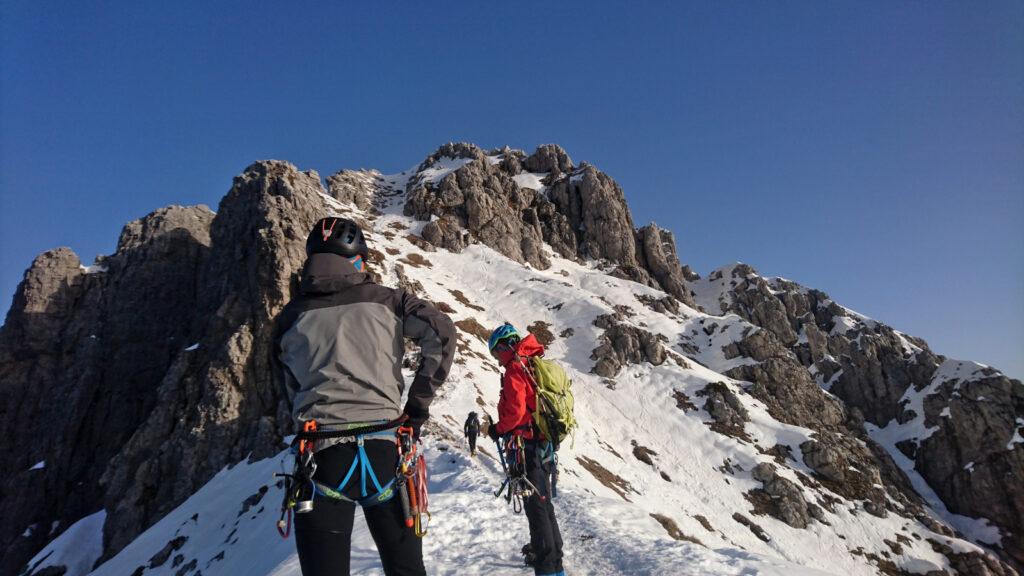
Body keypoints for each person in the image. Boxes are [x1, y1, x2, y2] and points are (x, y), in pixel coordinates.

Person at [272, 217, 456, 576]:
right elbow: (442, 332)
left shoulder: (288, 319)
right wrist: (415, 410)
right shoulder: (390, 301)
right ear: (358, 259)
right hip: (385, 451)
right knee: (406, 569)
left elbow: (286, 388)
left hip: (321, 457)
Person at [486, 323, 565, 576]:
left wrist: (498, 429)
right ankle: (556, 561)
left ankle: (546, 566)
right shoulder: (532, 363)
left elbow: (516, 413)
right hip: (542, 445)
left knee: (535, 506)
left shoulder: (515, 369)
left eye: (496, 354)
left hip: (526, 447)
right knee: (544, 502)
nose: (498, 360)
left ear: (503, 347)